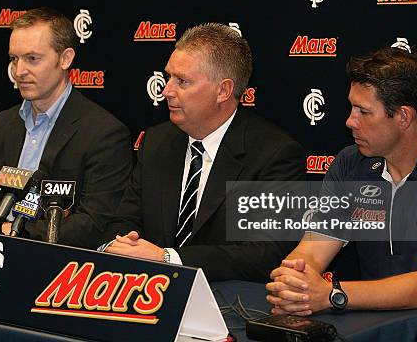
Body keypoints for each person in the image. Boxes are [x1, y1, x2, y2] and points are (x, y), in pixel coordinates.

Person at [266, 47, 417, 340]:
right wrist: (293, 282)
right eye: (352, 108)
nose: (350, 121)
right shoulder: (351, 163)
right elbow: (312, 250)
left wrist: (332, 295)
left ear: (403, 117)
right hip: (370, 326)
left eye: (363, 112)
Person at [103, 23, 305, 282]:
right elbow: (123, 220)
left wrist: (168, 259)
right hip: (145, 292)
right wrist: (119, 246)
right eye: (168, 77)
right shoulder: (156, 141)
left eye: (182, 81)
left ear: (223, 90)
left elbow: (263, 254)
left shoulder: (273, 154)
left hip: (228, 306)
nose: (166, 91)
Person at [0, 7, 132, 249]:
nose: (19, 72)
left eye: (32, 59)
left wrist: (15, 232)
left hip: (58, 264)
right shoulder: (3, 124)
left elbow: (93, 223)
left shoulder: (104, 133)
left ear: (65, 59)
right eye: (14, 59)